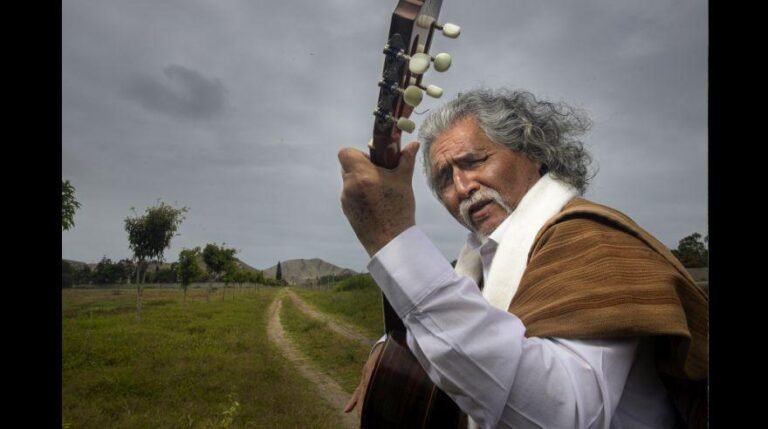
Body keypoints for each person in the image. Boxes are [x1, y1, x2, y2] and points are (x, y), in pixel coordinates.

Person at [338, 88, 708, 428]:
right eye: (445, 179)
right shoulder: (479, 260)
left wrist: (392, 238)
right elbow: (475, 330)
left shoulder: (590, 241)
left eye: (474, 161)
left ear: (533, 154)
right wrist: (396, 349)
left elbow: (565, 415)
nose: (463, 187)